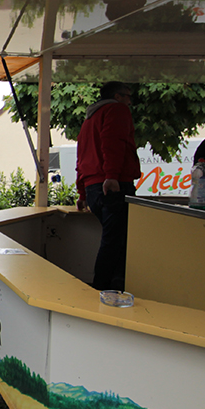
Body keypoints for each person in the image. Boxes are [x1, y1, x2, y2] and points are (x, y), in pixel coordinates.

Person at [76, 81, 141, 292]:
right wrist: (112, 176)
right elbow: (113, 142)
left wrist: (82, 192)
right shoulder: (116, 110)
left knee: (113, 240)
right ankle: (105, 290)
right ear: (117, 96)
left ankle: (107, 287)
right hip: (113, 184)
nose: (129, 102)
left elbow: (81, 156)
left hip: (93, 187)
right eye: (127, 96)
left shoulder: (89, 120)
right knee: (116, 242)